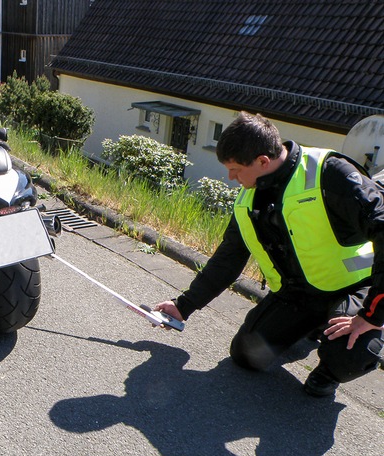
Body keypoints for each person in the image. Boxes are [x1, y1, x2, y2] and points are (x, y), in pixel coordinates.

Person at [154, 111, 384, 397]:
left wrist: (372, 314)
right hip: (298, 295)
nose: (230, 177)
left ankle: (330, 370)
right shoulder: (248, 198)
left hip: (352, 288)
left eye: (236, 169)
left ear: (263, 161)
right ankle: (313, 327)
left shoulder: (330, 173)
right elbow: (229, 258)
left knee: (350, 354)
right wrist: (184, 305)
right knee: (246, 355)